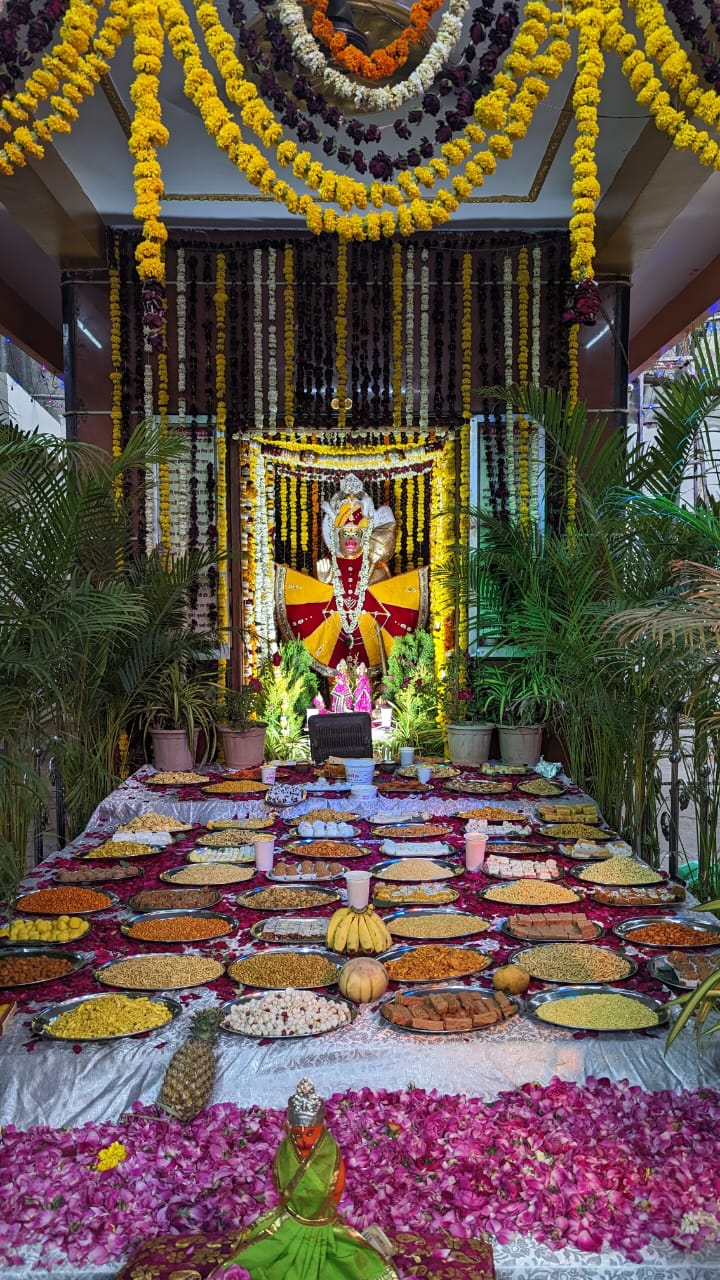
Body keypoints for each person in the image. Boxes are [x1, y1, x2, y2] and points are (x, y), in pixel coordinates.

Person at [208, 1078, 398, 1280]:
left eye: (309, 1133)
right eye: (298, 1134)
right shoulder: (288, 1148)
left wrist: (322, 1206)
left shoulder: (329, 1152)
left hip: (323, 1221)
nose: (304, 1140)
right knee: (266, 1256)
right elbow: (282, 1182)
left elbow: (336, 1186)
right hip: (292, 1220)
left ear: (320, 1129)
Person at [275, 474, 428, 676]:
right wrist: (323, 583)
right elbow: (316, 600)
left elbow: (386, 594)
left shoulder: (375, 565)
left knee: (368, 682)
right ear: (335, 536)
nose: (350, 539)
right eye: (345, 533)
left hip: (370, 634)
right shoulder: (329, 563)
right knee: (338, 682)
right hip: (333, 635)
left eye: (356, 533)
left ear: (364, 536)